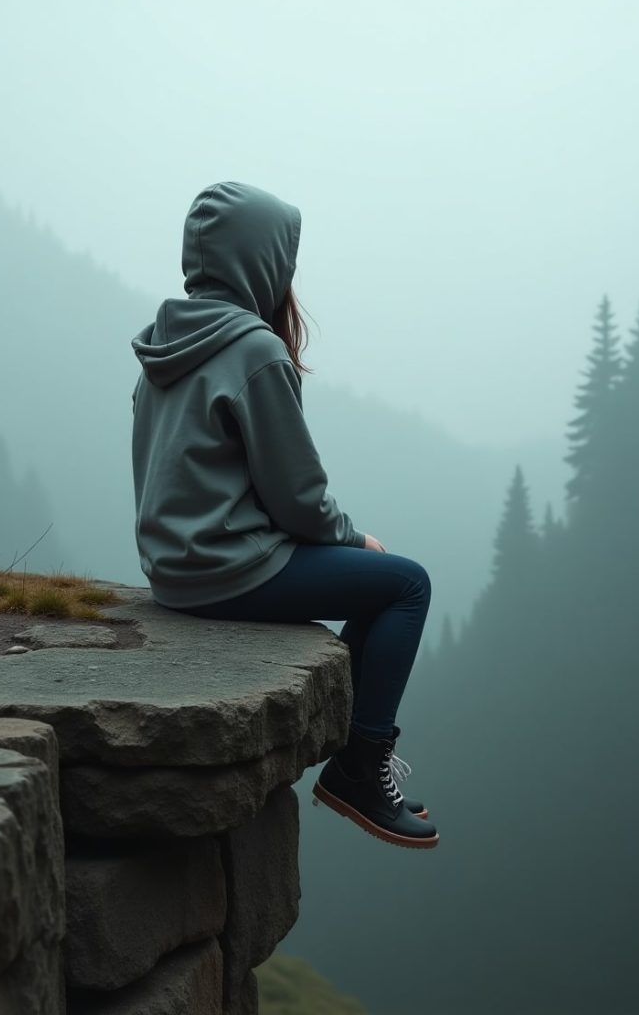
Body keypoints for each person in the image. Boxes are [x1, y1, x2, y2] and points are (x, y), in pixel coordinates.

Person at [130, 181, 438, 850]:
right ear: (260, 262)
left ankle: (354, 757)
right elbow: (298, 499)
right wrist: (355, 539)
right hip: (231, 571)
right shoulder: (254, 350)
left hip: (173, 572)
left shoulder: (163, 341)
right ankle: (359, 768)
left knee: (379, 584)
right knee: (405, 585)